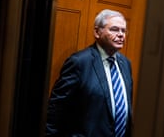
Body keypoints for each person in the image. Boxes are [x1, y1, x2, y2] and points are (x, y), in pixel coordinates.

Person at [46, 9, 133, 137]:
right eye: (114, 29)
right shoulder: (79, 62)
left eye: (123, 30)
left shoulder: (126, 63)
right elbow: (56, 107)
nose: (121, 35)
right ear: (97, 32)